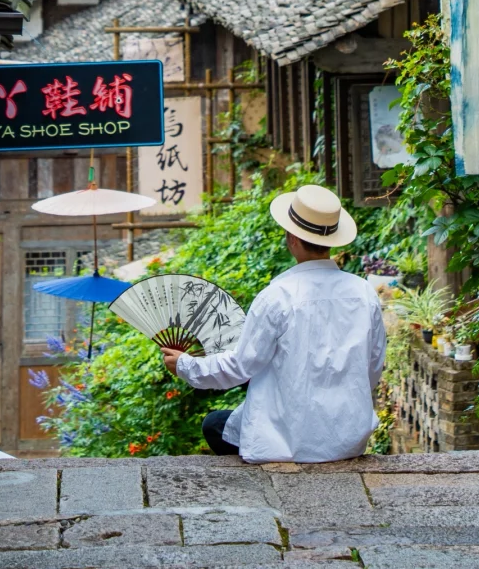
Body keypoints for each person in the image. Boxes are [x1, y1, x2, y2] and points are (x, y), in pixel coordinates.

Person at [161, 183, 386, 463]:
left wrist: (186, 365)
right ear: (333, 240)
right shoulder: (364, 293)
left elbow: (241, 366)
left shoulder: (277, 297)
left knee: (214, 425)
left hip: (288, 441)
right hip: (347, 439)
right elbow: (373, 366)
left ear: (291, 237)